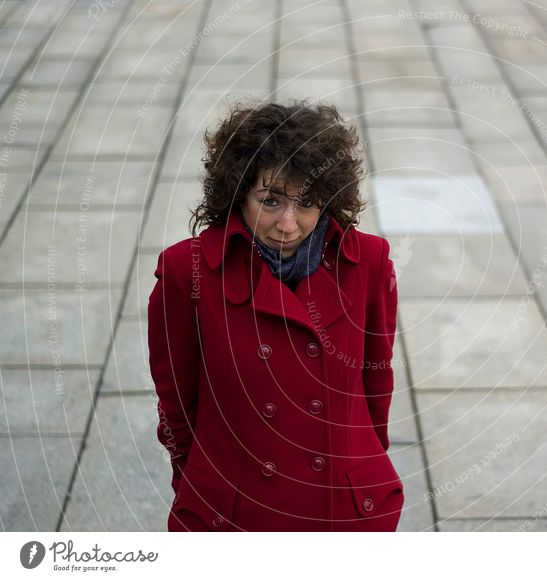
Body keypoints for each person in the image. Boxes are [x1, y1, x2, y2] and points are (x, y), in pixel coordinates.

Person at [147, 99, 403, 531]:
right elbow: (177, 405)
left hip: (343, 509)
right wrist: (199, 481)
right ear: (239, 192)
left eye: (306, 203)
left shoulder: (370, 263)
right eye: (270, 201)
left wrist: (364, 465)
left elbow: (376, 383)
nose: (288, 223)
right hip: (238, 511)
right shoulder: (185, 273)